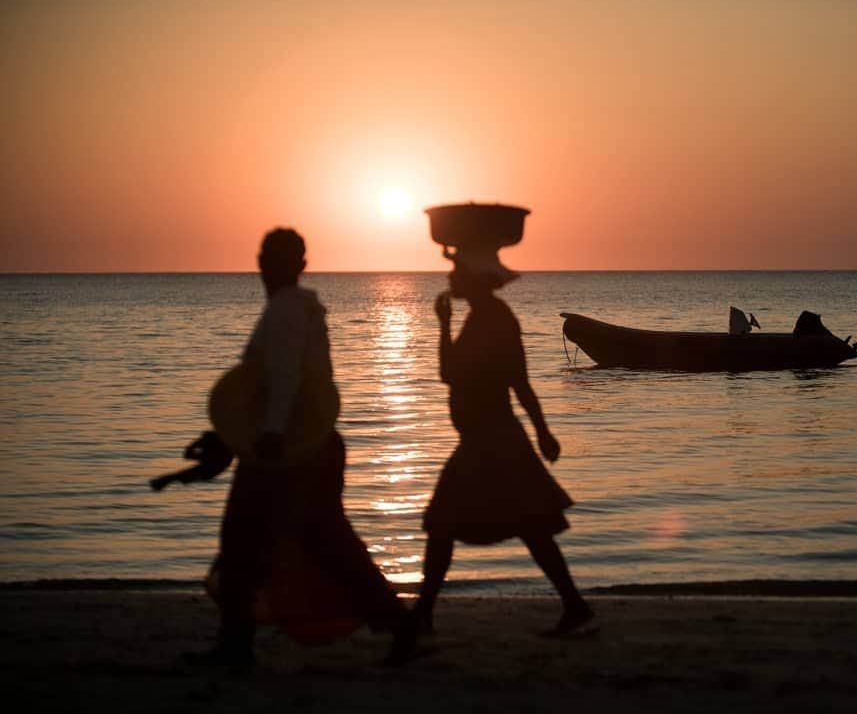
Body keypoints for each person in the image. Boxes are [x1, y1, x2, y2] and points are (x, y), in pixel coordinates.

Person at [185, 228, 417, 669]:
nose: (270, 266)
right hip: (306, 444)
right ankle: (398, 626)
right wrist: (231, 436)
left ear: (293, 266)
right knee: (326, 542)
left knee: (244, 542)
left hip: (286, 450)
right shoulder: (300, 310)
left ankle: (236, 647)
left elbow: (285, 376)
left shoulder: (289, 310)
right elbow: (265, 384)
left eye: (279, 258)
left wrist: (269, 435)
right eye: (269, 257)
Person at [414, 248, 592, 637]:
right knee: (529, 525)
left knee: (445, 522)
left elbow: (467, 375)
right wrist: (541, 431)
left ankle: (423, 614)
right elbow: (515, 381)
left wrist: (442, 325)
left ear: (475, 280)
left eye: (456, 273)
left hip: (491, 439)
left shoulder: (491, 319)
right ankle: (574, 605)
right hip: (493, 437)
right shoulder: (487, 317)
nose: (450, 280)